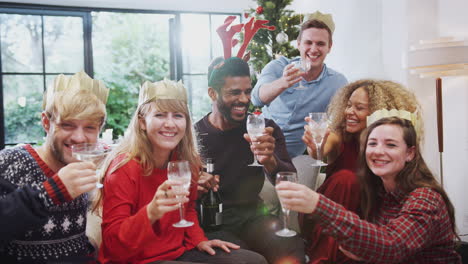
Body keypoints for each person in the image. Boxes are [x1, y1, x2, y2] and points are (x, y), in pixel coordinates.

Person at [97, 79, 267, 264]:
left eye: (178, 116)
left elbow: (187, 211)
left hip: (177, 253)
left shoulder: (184, 164)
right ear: (142, 122)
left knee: (253, 261)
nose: (170, 124)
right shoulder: (123, 168)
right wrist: (151, 213)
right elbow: (113, 245)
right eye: (160, 115)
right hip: (136, 259)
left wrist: (199, 240)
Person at [277, 116, 461, 263]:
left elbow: (392, 246)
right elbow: (374, 243)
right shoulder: (378, 192)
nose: (378, 151)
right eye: (372, 144)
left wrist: (319, 205)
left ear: (410, 153)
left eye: (391, 144)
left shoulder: (426, 198)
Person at [195, 57, 306, 264]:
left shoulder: (265, 129)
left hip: (254, 216)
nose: (245, 99)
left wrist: (269, 160)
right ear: (212, 93)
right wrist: (196, 184)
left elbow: (290, 183)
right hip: (214, 223)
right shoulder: (194, 136)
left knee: (290, 247)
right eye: (234, 92)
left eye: (247, 91)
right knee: (248, 260)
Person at [300, 79, 423, 263]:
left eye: (359, 107)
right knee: (347, 179)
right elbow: (323, 148)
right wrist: (316, 146)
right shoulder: (341, 135)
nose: (349, 112)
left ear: (377, 113)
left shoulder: (393, 146)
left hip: (369, 219)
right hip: (327, 216)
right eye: (348, 105)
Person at [0, 71, 109, 263]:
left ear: (99, 129)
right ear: (46, 122)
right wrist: (51, 192)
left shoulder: (86, 167)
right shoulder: (9, 162)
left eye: (90, 127)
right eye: (67, 125)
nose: (79, 137)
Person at [251, 11, 348, 158]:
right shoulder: (278, 66)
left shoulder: (338, 82)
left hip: (295, 157)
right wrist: (283, 83)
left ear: (329, 47)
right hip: (259, 147)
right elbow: (256, 98)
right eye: (308, 42)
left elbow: (338, 124)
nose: (314, 49)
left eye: (320, 44)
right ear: (299, 44)